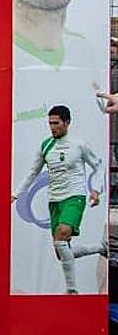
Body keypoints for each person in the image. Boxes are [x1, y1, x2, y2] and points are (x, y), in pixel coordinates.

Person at [13, 106, 106, 295]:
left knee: (62, 234)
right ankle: (99, 247)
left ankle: (71, 290)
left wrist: (95, 191)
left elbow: (98, 166)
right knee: (61, 251)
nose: (52, 127)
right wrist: (16, 194)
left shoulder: (79, 144)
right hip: (55, 200)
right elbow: (33, 173)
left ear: (67, 123)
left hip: (74, 197)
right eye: (50, 123)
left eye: (56, 123)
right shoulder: (46, 145)